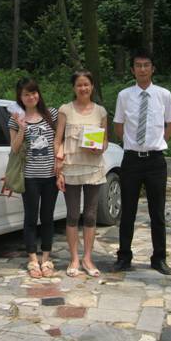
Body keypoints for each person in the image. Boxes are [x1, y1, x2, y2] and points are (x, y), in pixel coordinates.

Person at [112, 50, 171, 275]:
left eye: (146, 65)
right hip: (131, 160)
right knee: (127, 211)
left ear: (152, 68)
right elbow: (118, 126)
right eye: (138, 65)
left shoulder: (164, 95)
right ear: (132, 70)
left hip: (155, 161)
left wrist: (156, 143)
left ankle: (159, 258)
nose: (142, 69)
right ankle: (124, 257)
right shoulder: (124, 95)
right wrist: (132, 144)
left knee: (157, 212)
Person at [55, 71, 108, 278]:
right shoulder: (65, 110)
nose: (83, 88)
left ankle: (87, 258)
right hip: (70, 168)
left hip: (93, 168)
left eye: (86, 84)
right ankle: (74, 259)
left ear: (92, 86)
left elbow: (104, 141)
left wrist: (100, 148)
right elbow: (58, 140)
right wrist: (58, 169)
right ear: (74, 87)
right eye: (79, 85)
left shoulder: (101, 112)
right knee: (72, 215)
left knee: (91, 214)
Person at [8, 78, 59, 279]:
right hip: (29, 177)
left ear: (39, 93)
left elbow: (59, 141)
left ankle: (46, 258)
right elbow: (14, 148)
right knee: (31, 217)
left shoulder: (51, 114)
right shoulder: (15, 119)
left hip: (50, 176)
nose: (31, 97)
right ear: (20, 97)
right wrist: (22, 128)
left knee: (48, 217)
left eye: (34, 92)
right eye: (26, 94)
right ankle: (32, 259)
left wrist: (60, 164)